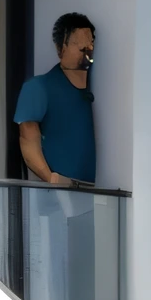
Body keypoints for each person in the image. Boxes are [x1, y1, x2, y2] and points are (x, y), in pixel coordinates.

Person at [14, 13, 97, 188]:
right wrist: (52, 179)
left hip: (93, 197)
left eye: (90, 42)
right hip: (56, 197)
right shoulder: (38, 87)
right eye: (77, 43)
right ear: (61, 48)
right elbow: (28, 139)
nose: (86, 47)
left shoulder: (94, 87)